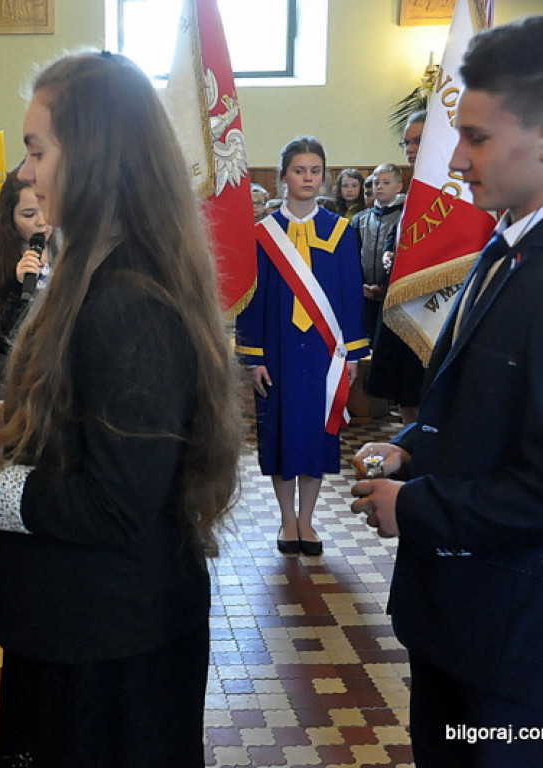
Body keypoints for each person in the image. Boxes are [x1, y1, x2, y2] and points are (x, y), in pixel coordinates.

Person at [0, 51, 240, 767]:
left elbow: (114, 503)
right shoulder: (95, 264)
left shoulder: (130, 300)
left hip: (113, 641)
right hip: (83, 623)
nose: (25, 171)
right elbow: (84, 422)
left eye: (37, 149)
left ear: (96, 152)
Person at [351, 16, 543, 767]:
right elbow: (472, 408)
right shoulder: (501, 248)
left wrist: (416, 506)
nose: (455, 161)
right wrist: (405, 449)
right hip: (460, 622)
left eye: (478, 137)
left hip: (518, 639)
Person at [236, 136, 367, 557]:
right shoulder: (261, 234)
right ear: (282, 177)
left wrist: (352, 353)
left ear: (324, 176)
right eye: (299, 170)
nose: (307, 178)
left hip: (326, 354)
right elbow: (250, 299)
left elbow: (350, 295)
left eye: (315, 171)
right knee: (280, 432)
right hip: (278, 351)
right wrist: (252, 356)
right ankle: (286, 520)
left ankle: (307, 521)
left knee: (316, 433)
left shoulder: (341, 231)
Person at [366, 112, 430, 426]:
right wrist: (391, 250)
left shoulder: (451, 189)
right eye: (407, 142)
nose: (410, 147)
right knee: (406, 391)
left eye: (418, 140)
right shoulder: (416, 189)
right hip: (402, 294)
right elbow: (401, 230)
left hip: (431, 301)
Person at [0, 168, 53, 399]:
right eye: (28, 215)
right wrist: (18, 288)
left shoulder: (71, 253)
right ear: (10, 219)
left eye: (46, 209)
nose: (41, 222)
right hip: (15, 368)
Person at [351, 162, 406, 340]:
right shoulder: (360, 220)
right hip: (365, 293)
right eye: (376, 182)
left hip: (394, 296)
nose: (379, 186)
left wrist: (384, 286)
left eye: (386, 182)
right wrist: (361, 285)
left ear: (399, 187)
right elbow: (352, 256)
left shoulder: (405, 216)